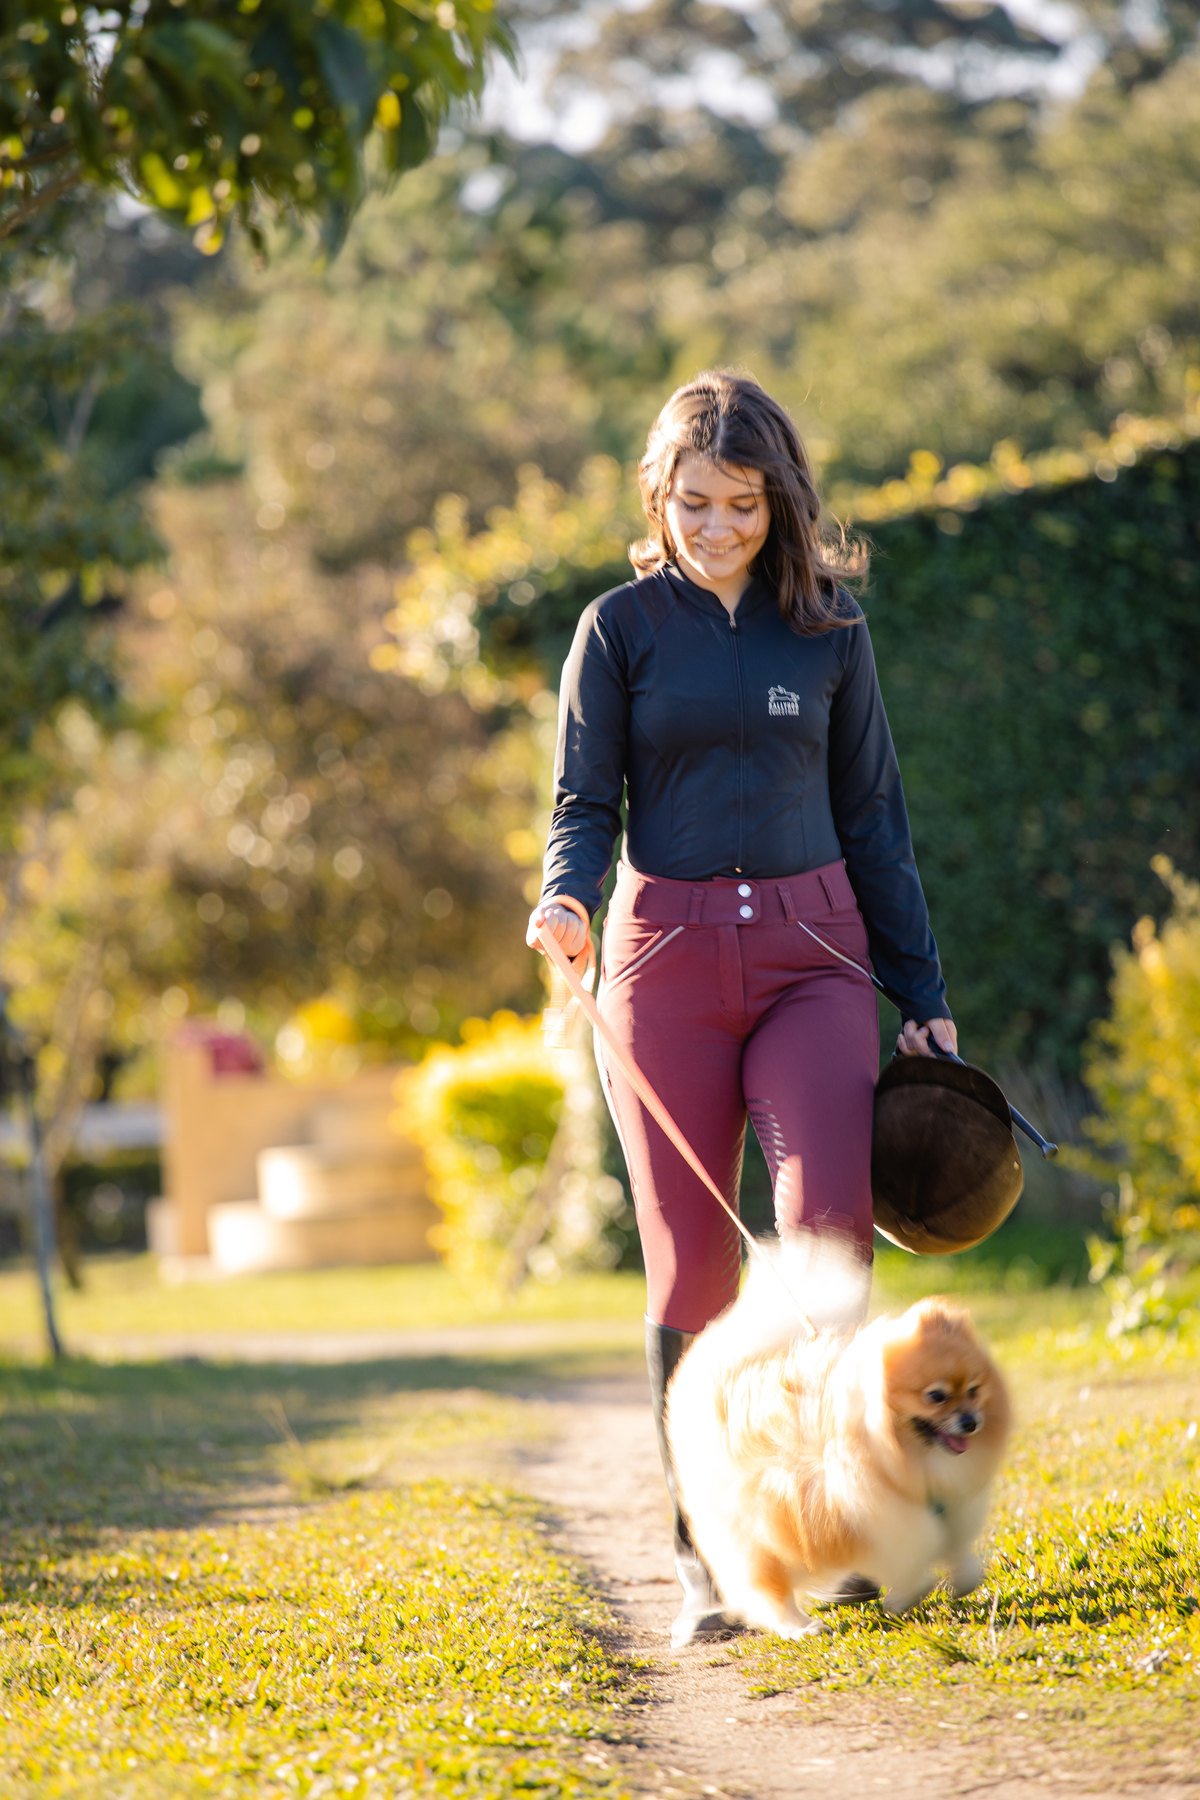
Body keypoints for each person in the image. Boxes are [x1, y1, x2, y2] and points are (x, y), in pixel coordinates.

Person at [526, 370, 955, 1647]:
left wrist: (923, 997)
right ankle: (709, 1559)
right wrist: (565, 900)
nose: (717, 528)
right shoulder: (617, 630)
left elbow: (876, 820)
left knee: (826, 1241)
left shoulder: (830, 633)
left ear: (782, 505)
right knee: (692, 1269)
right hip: (664, 963)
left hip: (815, 958)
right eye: (694, 503)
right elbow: (582, 803)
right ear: (658, 497)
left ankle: (843, 1531)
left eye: (744, 506)